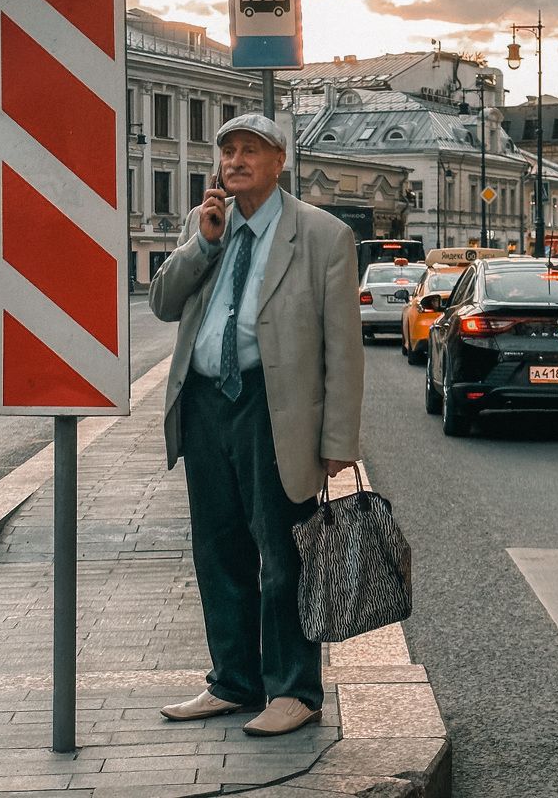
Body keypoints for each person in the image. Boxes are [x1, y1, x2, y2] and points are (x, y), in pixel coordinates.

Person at [149, 113, 364, 737]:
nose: (236, 161)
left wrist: (338, 443)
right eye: (228, 151)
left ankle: (294, 689)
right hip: (206, 404)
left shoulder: (322, 235)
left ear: (279, 163)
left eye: (251, 151)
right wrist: (205, 243)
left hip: (276, 410)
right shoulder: (206, 224)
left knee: (283, 553)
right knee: (218, 549)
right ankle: (234, 682)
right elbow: (164, 303)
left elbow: (343, 349)